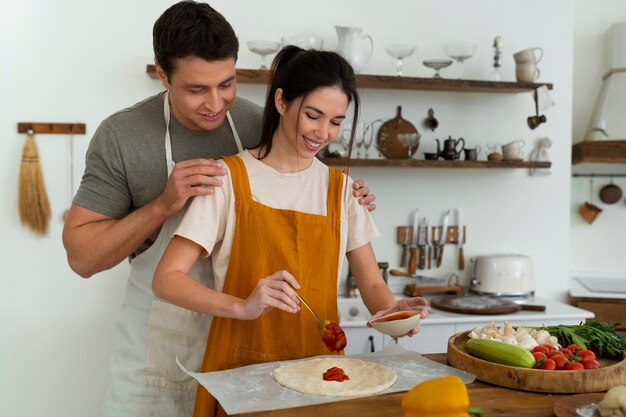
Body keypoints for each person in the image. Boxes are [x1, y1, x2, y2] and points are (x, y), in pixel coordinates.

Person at [61, 2, 375, 416]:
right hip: (163, 349)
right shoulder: (123, 136)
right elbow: (82, 258)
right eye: (196, 89)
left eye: (226, 84)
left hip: (245, 351)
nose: (215, 103)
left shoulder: (252, 122)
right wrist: (163, 205)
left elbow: (301, 174)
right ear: (162, 74)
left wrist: (350, 195)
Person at [152, 45, 429, 417]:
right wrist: (242, 306)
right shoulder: (229, 179)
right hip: (239, 374)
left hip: (321, 379)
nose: (323, 132)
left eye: (335, 121)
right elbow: (166, 279)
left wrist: (395, 313)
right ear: (281, 101)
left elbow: (372, 285)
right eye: (313, 115)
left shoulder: (341, 189)